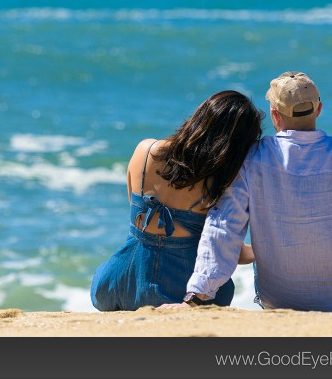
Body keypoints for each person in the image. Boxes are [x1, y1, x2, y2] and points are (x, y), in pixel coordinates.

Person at [174, 71, 332, 312]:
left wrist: (197, 294)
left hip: (278, 300)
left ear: (274, 115)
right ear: (319, 109)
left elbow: (224, 227)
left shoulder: (253, 157)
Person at [90, 90, 263, 311]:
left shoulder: (145, 151)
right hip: (178, 291)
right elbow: (230, 252)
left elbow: (137, 224)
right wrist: (266, 250)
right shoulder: (220, 184)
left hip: (118, 283)